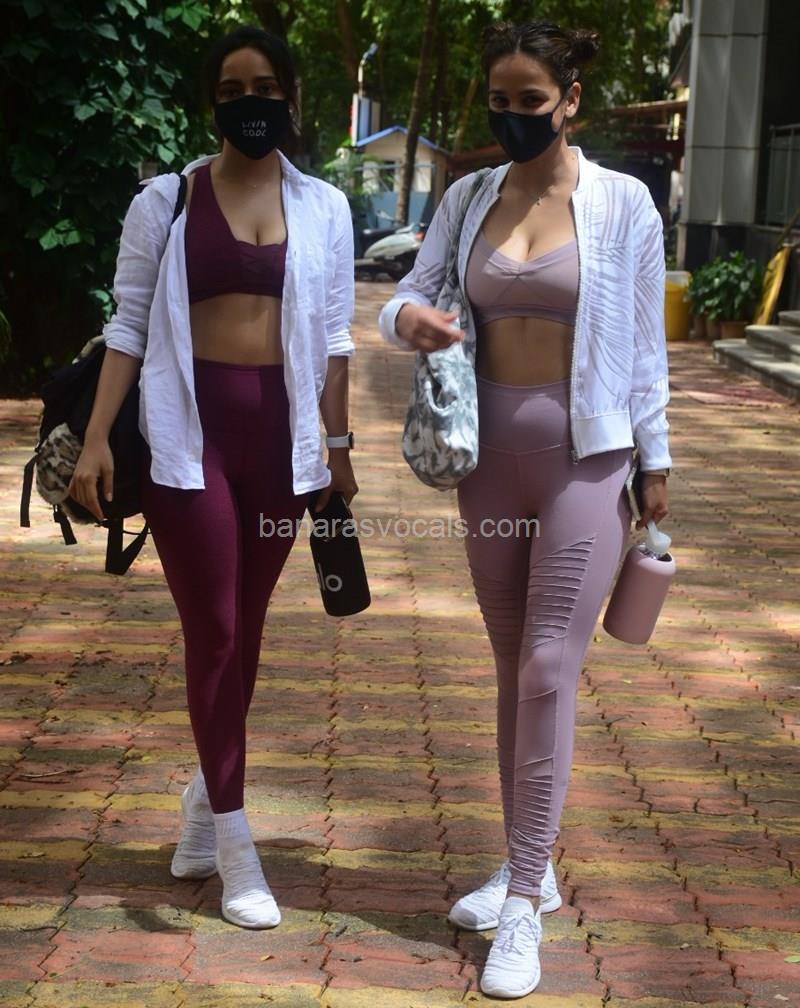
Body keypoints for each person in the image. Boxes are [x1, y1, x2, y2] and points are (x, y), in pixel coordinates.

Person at [379, 19, 671, 999]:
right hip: (486, 462)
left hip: (585, 459)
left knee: (550, 664)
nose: (512, 118)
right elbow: (402, 297)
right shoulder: (467, 198)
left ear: (569, 100)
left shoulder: (622, 202)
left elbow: (644, 347)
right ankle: (527, 866)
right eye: (498, 103)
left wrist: (657, 461)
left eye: (530, 101)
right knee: (512, 667)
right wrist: (408, 321)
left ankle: (519, 910)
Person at [68, 25, 357, 930]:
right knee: (218, 632)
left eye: (264, 86)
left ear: (291, 96)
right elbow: (126, 326)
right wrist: (96, 440)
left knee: (249, 631)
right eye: (231, 90)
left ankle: (201, 805)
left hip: (284, 447)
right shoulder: (165, 201)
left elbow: (336, 339)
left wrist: (338, 448)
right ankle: (236, 847)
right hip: (188, 441)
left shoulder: (326, 207)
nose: (249, 103)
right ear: (212, 104)